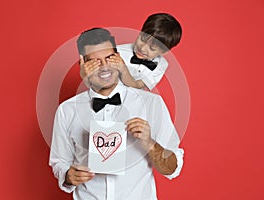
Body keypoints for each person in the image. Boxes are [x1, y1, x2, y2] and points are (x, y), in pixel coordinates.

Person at [49, 28, 184, 199]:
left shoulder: (151, 104)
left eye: (109, 58)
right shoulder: (66, 111)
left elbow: (173, 168)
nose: (104, 67)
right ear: (82, 64)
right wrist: (68, 176)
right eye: (95, 61)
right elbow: (59, 162)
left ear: (119, 57)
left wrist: (149, 143)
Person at [80, 13, 182, 90]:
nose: (142, 48)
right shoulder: (117, 51)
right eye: (142, 39)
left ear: (164, 52)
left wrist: (124, 70)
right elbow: (95, 83)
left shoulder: (161, 65)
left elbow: (137, 86)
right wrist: (85, 73)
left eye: (152, 48)